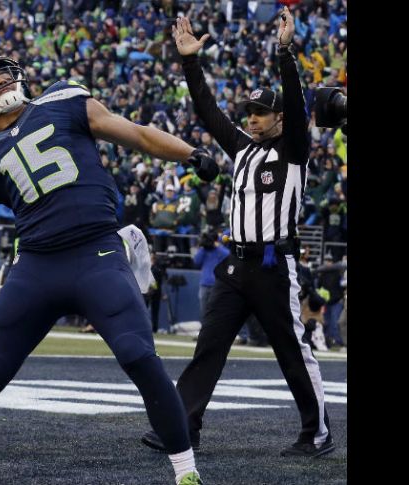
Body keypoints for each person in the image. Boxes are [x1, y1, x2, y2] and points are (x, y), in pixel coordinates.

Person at [0, 54, 217, 485]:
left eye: (5, 76)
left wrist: (190, 154)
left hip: (96, 253)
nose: (1, 84)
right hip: (36, 268)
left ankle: (187, 474)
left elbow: (134, 134)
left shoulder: (65, 99)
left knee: (140, 357)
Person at [141, 10, 334, 458]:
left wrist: (285, 52)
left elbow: (296, 100)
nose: (252, 119)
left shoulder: (293, 150)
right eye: (250, 112)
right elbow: (208, 111)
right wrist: (191, 62)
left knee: (291, 352)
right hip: (235, 265)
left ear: (281, 118)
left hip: (273, 264)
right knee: (209, 344)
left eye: (262, 113)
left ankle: (317, 433)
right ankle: (182, 426)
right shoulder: (243, 148)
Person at [191, 230, 229, 323]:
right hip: (204, 284)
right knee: (204, 310)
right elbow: (196, 262)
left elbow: (229, 256)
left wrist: (218, 246)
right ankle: (204, 332)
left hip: (217, 284)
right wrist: (202, 248)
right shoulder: (203, 250)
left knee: (218, 310)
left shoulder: (220, 251)